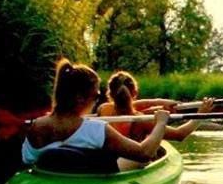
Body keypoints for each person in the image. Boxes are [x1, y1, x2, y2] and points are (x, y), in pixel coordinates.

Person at [22, 59, 170, 171]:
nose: (97, 100)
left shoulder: (35, 126)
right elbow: (144, 153)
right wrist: (161, 123)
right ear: (80, 98)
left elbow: (27, 160)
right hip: (87, 183)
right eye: (96, 95)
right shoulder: (97, 129)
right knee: (142, 160)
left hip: (47, 178)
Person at [97, 70, 215, 142]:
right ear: (134, 93)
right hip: (129, 164)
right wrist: (200, 115)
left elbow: (137, 105)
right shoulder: (142, 120)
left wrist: (161, 104)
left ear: (110, 93)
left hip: (106, 162)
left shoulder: (103, 109)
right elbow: (179, 134)